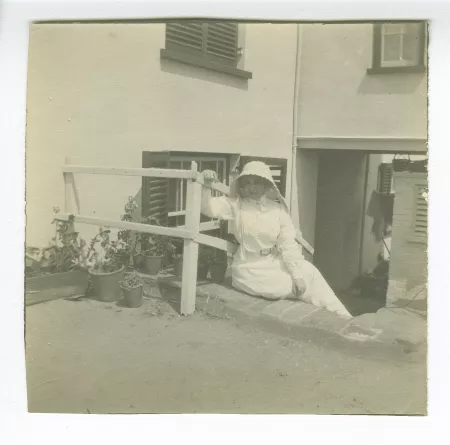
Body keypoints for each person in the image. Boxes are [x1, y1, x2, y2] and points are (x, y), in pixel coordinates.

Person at [200, 161, 352, 318]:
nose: (251, 188)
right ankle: (339, 317)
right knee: (303, 287)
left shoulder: (277, 209)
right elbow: (207, 208)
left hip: (273, 263)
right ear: (242, 186)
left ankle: (344, 316)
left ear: (266, 185)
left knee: (309, 271)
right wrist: (206, 184)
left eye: (257, 182)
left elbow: (287, 244)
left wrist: (297, 274)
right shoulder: (236, 205)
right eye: (247, 183)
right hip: (248, 268)